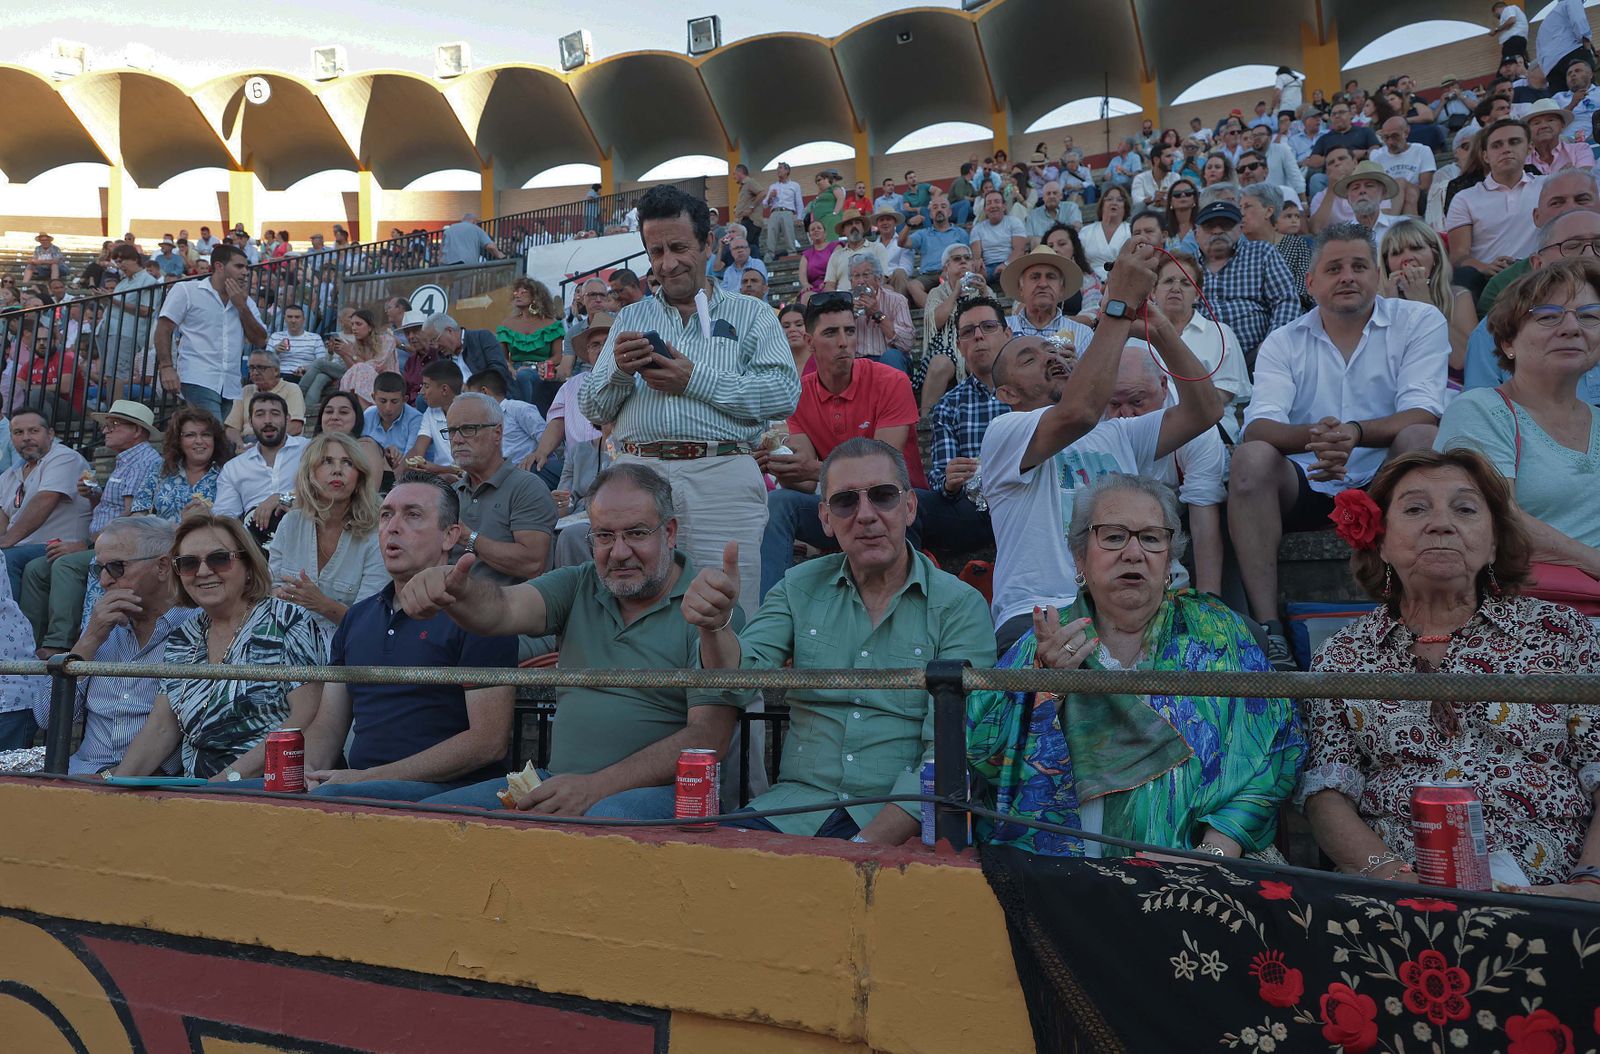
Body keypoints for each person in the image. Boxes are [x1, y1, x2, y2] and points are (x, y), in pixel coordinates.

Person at [1300, 449, 1600, 894]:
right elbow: (1327, 791)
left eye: (1464, 509)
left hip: (1553, 894)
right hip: (1398, 895)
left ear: (1495, 540)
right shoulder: (1343, 655)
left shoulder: (1563, 634)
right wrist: (1398, 879)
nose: (1441, 523)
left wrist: (1589, 885)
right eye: (1416, 508)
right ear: (1380, 540)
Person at [967, 474, 1304, 857]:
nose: (1133, 553)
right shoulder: (1046, 640)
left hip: (1202, 873)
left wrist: (1214, 854)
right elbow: (984, 753)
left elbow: (1275, 747)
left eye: (1151, 538)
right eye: (1113, 537)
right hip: (1059, 873)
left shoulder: (1219, 633)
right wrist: (1046, 689)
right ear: (1079, 556)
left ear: (1169, 559)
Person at [685, 438, 996, 843]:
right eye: (846, 502)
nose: (865, 515)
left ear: (910, 507)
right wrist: (715, 625)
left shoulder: (959, 606)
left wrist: (862, 849)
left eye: (883, 496)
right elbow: (738, 681)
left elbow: (946, 755)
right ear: (826, 518)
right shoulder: (799, 586)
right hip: (794, 809)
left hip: (900, 821)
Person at [394, 465, 752, 815]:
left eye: (637, 533)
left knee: (609, 816)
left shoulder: (708, 606)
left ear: (669, 533)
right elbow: (503, 608)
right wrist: (455, 588)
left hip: (663, 795)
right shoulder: (579, 583)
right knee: (437, 816)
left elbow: (709, 736)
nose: (619, 551)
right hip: (560, 782)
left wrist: (595, 788)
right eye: (604, 536)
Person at [982, 240, 1225, 652]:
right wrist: (1118, 306)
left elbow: (1205, 410)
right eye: (1028, 358)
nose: (1049, 356)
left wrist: (1157, 327)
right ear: (1006, 392)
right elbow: (1078, 412)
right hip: (1043, 614)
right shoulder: (1006, 432)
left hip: (1131, 610)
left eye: (1052, 348)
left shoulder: (1117, 432)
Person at [1229, 224, 1449, 668]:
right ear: (1311, 284)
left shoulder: (1420, 321)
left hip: (1386, 479)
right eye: (1333, 268)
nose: (1347, 276)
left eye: (1359, 266)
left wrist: (1354, 433)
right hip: (1308, 480)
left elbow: (1424, 413)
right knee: (1250, 460)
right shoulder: (1283, 340)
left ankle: (1418, 611)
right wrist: (1321, 439)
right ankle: (1270, 629)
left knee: (1421, 441)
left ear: (1377, 275)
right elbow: (1260, 426)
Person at [580, 184, 800, 620]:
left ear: (708, 244)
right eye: (656, 251)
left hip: (722, 477)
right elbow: (593, 408)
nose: (667, 262)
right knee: (638, 612)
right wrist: (621, 372)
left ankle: (729, 692)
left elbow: (782, 393)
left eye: (679, 247)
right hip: (637, 477)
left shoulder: (751, 313)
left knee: (728, 612)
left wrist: (693, 379)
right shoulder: (629, 317)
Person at [112, 514, 327, 780]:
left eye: (219, 559)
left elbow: (305, 718)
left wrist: (226, 781)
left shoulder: (287, 621)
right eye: (189, 563)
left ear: (248, 565)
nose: (203, 572)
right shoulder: (185, 637)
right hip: (198, 794)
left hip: (266, 789)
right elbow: (161, 729)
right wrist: (115, 788)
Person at [1437, 258, 1600, 585]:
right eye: (1549, 316)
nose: (1572, 328)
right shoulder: (1480, 410)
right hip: (1528, 612)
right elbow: (1496, 519)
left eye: (1589, 316)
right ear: (1507, 342)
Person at [758, 296, 925, 598]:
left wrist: (811, 469)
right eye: (831, 333)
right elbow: (806, 478)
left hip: (899, 501)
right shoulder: (799, 393)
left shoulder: (891, 381)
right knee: (779, 502)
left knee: (884, 499)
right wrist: (776, 463)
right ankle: (770, 617)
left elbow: (881, 471)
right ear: (809, 341)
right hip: (841, 508)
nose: (844, 342)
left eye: (850, 331)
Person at [26, 517, 196, 772]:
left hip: (153, 783)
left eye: (117, 567)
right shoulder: (103, 628)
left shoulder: (197, 629)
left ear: (162, 567)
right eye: (99, 569)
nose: (104, 580)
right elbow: (46, 718)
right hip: (83, 774)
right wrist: (89, 640)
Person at [21, 400, 161, 658]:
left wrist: (84, 546)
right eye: (106, 425)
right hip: (100, 542)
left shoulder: (144, 461)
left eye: (114, 425)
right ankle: (28, 642)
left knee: (66, 565)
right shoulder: (126, 460)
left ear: (137, 431)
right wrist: (94, 495)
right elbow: (115, 507)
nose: (105, 431)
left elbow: (130, 520)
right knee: (36, 569)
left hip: (115, 548)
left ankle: (59, 643)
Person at [1106, 347, 1229, 594]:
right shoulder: (1093, 422)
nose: (1127, 414)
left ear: (1163, 386)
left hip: (1182, 517)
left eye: (1137, 401)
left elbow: (1203, 515)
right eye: (1114, 404)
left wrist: (1209, 601)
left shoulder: (1198, 430)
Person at [266, 431, 387, 633]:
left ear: (359, 477)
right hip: (289, 640)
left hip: (348, 649)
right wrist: (278, 594)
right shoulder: (291, 522)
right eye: (327, 462)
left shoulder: (377, 532)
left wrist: (322, 604)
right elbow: (272, 587)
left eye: (348, 463)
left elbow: (369, 621)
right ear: (309, 473)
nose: (337, 470)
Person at [923, 296, 1012, 553]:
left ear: (1007, 334)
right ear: (960, 345)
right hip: (976, 513)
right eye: (968, 332)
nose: (978, 336)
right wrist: (950, 482)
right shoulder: (948, 406)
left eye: (988, 327)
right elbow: (939, 479)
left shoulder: (1034, 390)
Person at [446, 392, 558, 585]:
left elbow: (532, 563)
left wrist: (468, 537)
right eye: (451, 431)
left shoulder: (526, 487)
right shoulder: (451, 493)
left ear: (497, 434)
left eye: (468, 429)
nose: (456, 439)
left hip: (508, 608)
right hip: (450, 605)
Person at [154, 244, 266, 418]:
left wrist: (241, 306)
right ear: (219, 266)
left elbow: (260, 340)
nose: (245, 272)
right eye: (239, 266)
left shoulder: (245, 301)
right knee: (214, 434)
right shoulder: (186, 290)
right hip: (197, 377)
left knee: (217, 439)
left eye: (246, 267)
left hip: (230, 383)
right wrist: (167, 367)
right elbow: (163, 328)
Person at [1151, 250, 1252, 440]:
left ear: (1197, 295)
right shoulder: (1137, 336)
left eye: (1186, 283)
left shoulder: (1220, 333)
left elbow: (1224, 393)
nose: (1176, 288)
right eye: (1168, 281)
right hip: (1150, 429)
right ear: (1153, 292)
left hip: (1207, 430)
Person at [1195, 200, 1301, 367]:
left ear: (1239, 229)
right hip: (1201, 361)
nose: (1218, 231)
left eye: (1226, 225)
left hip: (1259, 355)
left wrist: (1270, 346)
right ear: (1196, 233)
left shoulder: (1262, 253)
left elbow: (1286, 300)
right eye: (1210, 226)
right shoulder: (1185, 266)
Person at [0, 411, 93, 602]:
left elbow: (45, 500)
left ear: (50, 434)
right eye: (18, 432)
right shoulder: (10, 473)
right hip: (20, 547)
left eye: (33, 430)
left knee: (4, 558)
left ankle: (11, 628)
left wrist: (6, 541)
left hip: (56, 545)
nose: (26, 438)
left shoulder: (64, 457)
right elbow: (2, 516)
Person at [1446, 119, 1542, 300]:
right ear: (1485, 156)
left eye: (1514, 142)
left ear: (1529, 148)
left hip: (1543, 271)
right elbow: (1458, 257)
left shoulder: (1549, 186)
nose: (1506, 149)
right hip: (1490, 282)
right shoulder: (1464, 198)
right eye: (1497, 145)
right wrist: (1486, 267)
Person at [1380, 218, 1478, 388]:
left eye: (1416, 248)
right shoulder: (1378, 303)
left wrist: (1424, 303)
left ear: (1435, 256)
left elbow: (1463, 360)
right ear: (1387, 265)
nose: (1407, 258)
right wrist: (1391, 307)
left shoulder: (1459, 297)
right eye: (1396, 253)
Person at [213, 392, 311, 531]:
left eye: (275, 414)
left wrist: (283, 498)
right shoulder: (234, 468)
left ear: (287, 419)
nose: (267, 420)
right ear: (251, 422)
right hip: (255, 543)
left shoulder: (308, 450)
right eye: (260, 414)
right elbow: (225, 517)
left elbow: (323, 489)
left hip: (305, 532)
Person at [131, 408, 231, 522]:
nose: (199, 441)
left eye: (206, 434)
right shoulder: (161, 468)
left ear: (215, 439)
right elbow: (140, 510)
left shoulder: (227, 472)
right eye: (190, 435)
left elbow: (231, 519)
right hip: (162, 538)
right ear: (178, 441)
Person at [94, 242, 160, 407]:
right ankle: (112, 411)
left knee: (118, 373)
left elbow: (145, 310)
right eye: (116, 261)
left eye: (122, 260)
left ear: (134, 259)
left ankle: (117, 414)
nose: (120, 264)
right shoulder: (123, 282)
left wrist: (113, 300)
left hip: (128, 332)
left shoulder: (148, 280)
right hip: (111, 329)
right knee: (110, 373)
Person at [1000, 246, 1094, 351]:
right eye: (1035, 277)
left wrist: (1074, 366)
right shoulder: (1000, 331)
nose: (1043, 284)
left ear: (1061, 289)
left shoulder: (1083, 335)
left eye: (1051, 277)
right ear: (1021, 288)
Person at [496, 277, 566, 412]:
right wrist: (510, 368)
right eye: (516, 291)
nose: (518, 294)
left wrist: (540, 366)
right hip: (514, 371)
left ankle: (529, 416)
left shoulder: (552, 324)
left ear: (536, 296)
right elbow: (502, 357)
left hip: (542, 371)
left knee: (525, 376)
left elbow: (557, 356)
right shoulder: (506, 324)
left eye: (524, 291)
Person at [1239, 183, 1312, 311]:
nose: (1241, 213)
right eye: (1239, 208)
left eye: (1247, 207)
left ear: (1268, 211)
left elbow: (1302, 291)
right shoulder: (1238, 250)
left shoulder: (1296, 245)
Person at [843, 254, 914, 374]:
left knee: (892, 356)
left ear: (878, 278)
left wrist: (877, 314)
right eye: (856, 276)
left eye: (866, 275)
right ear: (851, 282)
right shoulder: (844, 304)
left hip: (888, 360)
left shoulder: (897, 300)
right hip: (859, 363)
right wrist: (849, 317)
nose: (861, 281)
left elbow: (907, 344)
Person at [465, 369, 546, 474]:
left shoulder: (518, 408)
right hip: (498, 474)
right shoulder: (481, 421)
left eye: (471, 397)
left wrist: (537, 454)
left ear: (484, 392)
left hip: (528, 471)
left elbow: (546, 437)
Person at [224, 351, 306, 446]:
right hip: (246, 443)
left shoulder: (291, 389)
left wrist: (261, 446)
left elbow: (295, 426)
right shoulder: (245, 391)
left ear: (276, 371)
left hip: (278, 443)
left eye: (260, 368)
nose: (254, 372)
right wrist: (239, 445)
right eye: (251, 368)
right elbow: (231, 427)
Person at [418, 313, 515, 393]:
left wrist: (471, 387)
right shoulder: (442, 356)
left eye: (435, 340)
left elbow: (498, 371)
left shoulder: (482, 337)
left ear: (449, 331)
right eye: (431, 343)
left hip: (493, 397)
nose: (435, 347)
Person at [406, 359, 464, 477]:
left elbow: (468, 468)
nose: (422, 392)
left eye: (426, 386)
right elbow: (419, 449)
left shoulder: (472, 409)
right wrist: (416, 463)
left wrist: (438, 469)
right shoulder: (430, 412)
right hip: (441, 478)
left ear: (444, 389)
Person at [362, 371, 423, 478]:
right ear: (373, 397)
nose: (388, 408)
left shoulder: (415, 419)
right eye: (382, 401)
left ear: (405, 400)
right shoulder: (368, 415)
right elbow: (360, 451)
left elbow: (411, 459)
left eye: (394, 402)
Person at [1373, 117, 1437, 214]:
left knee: (1402, 184)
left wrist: (1402, 189)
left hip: (1420, 199)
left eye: (1395, 136)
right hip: (1389, 202)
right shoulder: (1378, 159)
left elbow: (1425, 186)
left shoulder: (1422, 150)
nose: (1390, 142)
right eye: (1386, 137)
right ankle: (1408, 227)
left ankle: (1391, 221)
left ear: (1406, 132)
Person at [1537, 0, 1595, 95]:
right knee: (1590, 94)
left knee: (1562, 102)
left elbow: (1539, 53)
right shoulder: (1571, 1)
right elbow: (1578, 21)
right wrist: (1587, 45)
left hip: (1551, 68)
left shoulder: (1546, 21)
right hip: (1573, 53)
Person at [1524, 98, 1594, 175]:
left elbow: (1585, 180)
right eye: (1536, 123)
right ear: (1528, 130)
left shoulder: (1580, 150)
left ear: (1562, 125)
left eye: (1550, 120)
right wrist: (1562, 177)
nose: (1543, 126)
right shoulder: (1521, 158)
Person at [970, 189, 1027, 282]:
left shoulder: (1014, 222)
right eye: (989, 203)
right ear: (985, 209)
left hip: (1012, 263)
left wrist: (1006, 264)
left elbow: (1019, 250)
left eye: (997, 202)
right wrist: (978, 263)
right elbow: (977, 255)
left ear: (1004, 206)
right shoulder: (977, 229)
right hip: (988, 268)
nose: (993, 206)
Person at [1079, 185, 1132, 281]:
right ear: (1102, 204)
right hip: (1089, 284)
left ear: (1125, 206)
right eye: (1109, 199)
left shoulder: (1131, 230)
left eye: (1119, 200)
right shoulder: (1086, 232)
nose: (1114, 203)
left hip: (1124, 281)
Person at [821, 209, 882, 291]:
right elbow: (829, 285)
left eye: (857, 223)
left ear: (863, 228)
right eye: (849, 224)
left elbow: (882, 279)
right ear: (843, 231)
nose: (854, 226)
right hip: (844, 300)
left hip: (871, 297)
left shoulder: (877, 248)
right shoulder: (836, 255)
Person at [762, 162, 805, 259]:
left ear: (787, 171)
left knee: (789, 234)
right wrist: (770, 197)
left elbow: (799, 202)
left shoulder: (795, 185)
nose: (778, 170)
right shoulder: (772, 186)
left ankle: (792, 253)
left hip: (788, 212)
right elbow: (764, 204)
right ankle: (769, 256)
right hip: (774, 212)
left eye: (780, 168)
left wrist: (799, 217)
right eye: (777, 169)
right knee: (771, 235)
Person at [441, 212, 505, 266]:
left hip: (447, 263)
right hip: (467, 263)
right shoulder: (476, 229)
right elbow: (491, 246)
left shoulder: (449, 229)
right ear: (474, 221)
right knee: (465, 280)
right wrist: (499, 255)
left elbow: (442, 248)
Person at [797, 220, 838, 301]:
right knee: (806, 297)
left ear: (825, 233)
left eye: (819, 228)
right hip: (814, 288)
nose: (816, 230)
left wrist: (828, 283)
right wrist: (805, 284)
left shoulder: (835, 246)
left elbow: (839, 266)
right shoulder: (806, 254)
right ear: (810, 236)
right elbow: (802, 273)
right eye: (812, 229)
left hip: (834, 283)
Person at [730, 163, 765, 247]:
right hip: (746, 221)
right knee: (752, 247)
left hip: (751, 221)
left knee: (747, 246)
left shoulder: (749, 182)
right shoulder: (743, 186)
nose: (734, 177)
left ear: (740, 172)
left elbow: (762, 193)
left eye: (734, 174)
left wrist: (751, 208)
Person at [1163, 178, 1199, 250]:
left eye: (1188, 193)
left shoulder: (1203, 228)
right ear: (1170, 201)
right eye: (1177, 194)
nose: (1183, 195)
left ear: (1194, 199)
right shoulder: (1163, 230)